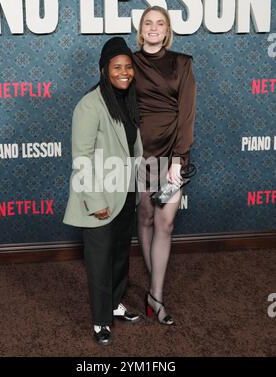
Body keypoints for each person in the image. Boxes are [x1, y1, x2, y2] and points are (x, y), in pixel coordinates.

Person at [63, 37, 143, 345]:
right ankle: (100, 321)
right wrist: (95, 201)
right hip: (98, 197)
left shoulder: (130, 100)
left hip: (125, 195)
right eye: (116, 67)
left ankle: (114, 303)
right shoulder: (89, 105)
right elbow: (81, 158)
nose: (124, 72)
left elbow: (134, 149)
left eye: (128, 66)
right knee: (99, 261)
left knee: (120, 256)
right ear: (103, 70)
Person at [133, 6, 197, 325]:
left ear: (167, 29)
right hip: (140, 154)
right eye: (149, 23)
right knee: (144, 216)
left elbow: (186, 114)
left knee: (165, 223)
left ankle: (155, 296)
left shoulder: (182, 63)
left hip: (171, 156)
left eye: (160, 23)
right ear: (141, 29)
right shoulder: (128, 63)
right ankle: (151, 276)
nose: (154, 28)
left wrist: (178, 158)